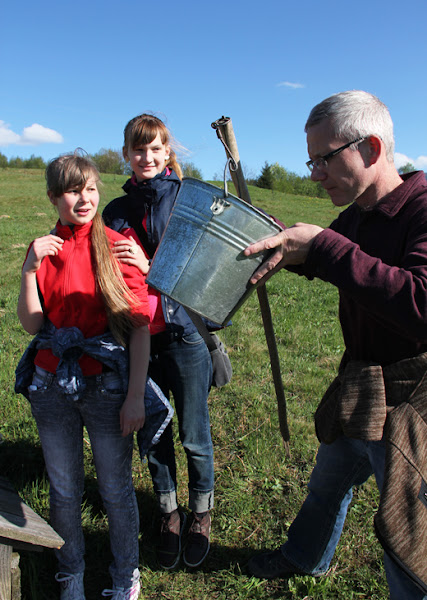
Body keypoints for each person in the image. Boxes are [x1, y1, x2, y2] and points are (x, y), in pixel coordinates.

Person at [245, 91, 427, 600]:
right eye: (312, 160)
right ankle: (306, 556)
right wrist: (278, 240)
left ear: (370, 148)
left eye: (324, 158)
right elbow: (330, 259)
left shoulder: (422, 208)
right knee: (327, 483)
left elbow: (421, 303)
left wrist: (326, 247)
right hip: (364, 385)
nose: (314, 173)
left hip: (413, 401)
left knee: (407, 534)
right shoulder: (362, 213)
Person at [15, 154, 171, 600]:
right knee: (63, 489)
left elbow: (139, 328)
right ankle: (72, 574)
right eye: (71, 190)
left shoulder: (114, 244)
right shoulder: (45, 249)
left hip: (105, 386)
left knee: (115, 490)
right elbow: (31, 324)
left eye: (89, 189)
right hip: (51, 387)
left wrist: (136, 396)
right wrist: (29, 269)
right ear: (53, 197)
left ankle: (125, 577)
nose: (83, 199)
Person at [102, 114, 214, 570]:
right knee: (155, 432)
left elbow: (206, 267)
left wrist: (152, 267)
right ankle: (169, 512)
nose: (146, 157)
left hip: (185, 334)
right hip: (136, 339)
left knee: (193, 434)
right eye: (137, 149)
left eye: (154, 148)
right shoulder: (114, 212)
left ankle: (201, 514)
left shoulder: (190, 200)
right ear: (126, 154)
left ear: (168, 152)